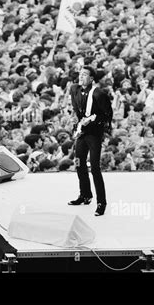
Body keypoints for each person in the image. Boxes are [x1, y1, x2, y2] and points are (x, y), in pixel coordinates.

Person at [68, 66, 112, 216]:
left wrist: (92, 119)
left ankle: (101, 202)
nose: (81, 77)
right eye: (80, 74)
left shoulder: (99, 94)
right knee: (79, 164)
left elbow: (107, 116)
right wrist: (78, 122)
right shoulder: (74, 89)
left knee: (94, 168)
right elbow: (76, 108)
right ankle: (85, 194)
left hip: (94, 134)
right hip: (81, 133)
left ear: (92, 78)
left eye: (85, 75)